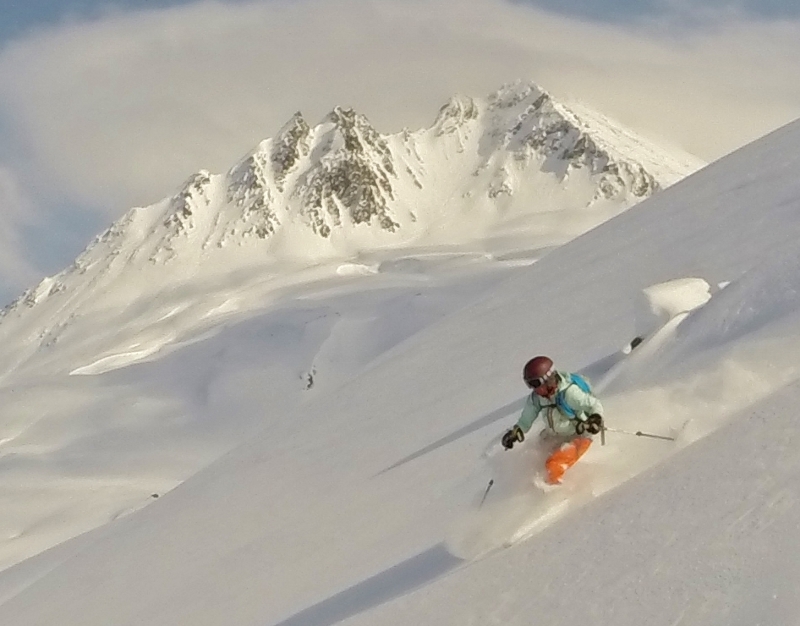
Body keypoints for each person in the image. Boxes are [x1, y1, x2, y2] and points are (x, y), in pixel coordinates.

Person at [501, 356, 604, 485]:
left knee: (554, 464)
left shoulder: (569, 393)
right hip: (555, 436)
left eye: (535, 384)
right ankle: (534, 488)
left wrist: (595, 419)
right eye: (529, 385)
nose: (533, 389)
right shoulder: (537, 398)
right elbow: (526, 419)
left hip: (580, 436)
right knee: (534, 459)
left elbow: (594, 405)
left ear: (548, 379)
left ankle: (556, 493)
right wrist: (516, 432)